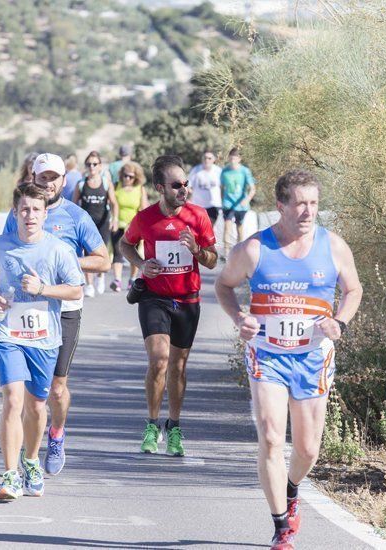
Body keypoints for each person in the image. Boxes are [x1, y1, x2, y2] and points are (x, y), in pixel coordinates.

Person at [214, 169, 362, 548]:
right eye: (299, 203)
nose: (307, 211)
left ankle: (292, 488)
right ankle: (281, 527)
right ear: (280, 206)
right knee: (270, 436)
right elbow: (224, 285)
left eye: (313, 203)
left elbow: (353, 289)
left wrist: (340, 323)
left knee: (309, 448)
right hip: (268, 355)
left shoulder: (333, 247)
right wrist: (239, 318)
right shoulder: (253, 249)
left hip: (312, 357)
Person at [0, 183, 85, 500]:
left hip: (44, 337)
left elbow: (75, 290)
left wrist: (42, 289)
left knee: (37, 406)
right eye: (24, 209)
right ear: (15, 212)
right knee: (13, 400)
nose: (30, 215)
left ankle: (32, 460)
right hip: (7, 332)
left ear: (45, 213)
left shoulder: (58, 250)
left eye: (36, 210)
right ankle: (10, 476)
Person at [3, 153, 110, 476]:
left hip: (64, 309)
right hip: (26, 309)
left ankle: (57, 434)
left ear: (65, 180)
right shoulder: (20, 212)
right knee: (21, 391)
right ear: (32, 178)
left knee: (56, 389)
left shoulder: (76, 217)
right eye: (43, 177)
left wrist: (61, 262)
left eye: (54, 177)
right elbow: (4, 252)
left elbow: (103, 260)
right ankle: (26, 452)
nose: (48, 183)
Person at [119, 155, 218, 457]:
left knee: (177, 366)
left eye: (186, 184)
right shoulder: (146, 218)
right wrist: (140, 263)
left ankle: (173, 427)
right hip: (154, 298)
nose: (184, 190)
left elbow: (213, 261)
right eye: (177, 185)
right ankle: (151, 425)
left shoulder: (198, 216)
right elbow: (125, 244)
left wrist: (197, 250)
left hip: (187, 299)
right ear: (160, 187)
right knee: (159, 360)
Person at [72, 151, 118, 296]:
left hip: (103, 222)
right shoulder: (81, 184)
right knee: (87, 253)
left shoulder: (106, 183)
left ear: (100, 166)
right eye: (89, 164)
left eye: (94, 164)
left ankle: (100, 276)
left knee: (101, 253)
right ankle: (90, 284)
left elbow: (114, 203)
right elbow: (73, 206)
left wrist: (115, 219)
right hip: (86, 225)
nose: (91, 167)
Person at [110, 161, 149, 292]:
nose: (127, 178)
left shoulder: (140, 189)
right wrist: (113, 219)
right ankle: (117, 280)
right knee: (117, 253)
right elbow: (111, 205)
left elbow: (143, 209)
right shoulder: (116, 186)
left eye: (131, 176)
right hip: (118, 224)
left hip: (134, 227)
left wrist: (134, 225)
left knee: (134, 253)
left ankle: (132, 279)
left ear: (136, 177)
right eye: (125, 175)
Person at [220, 147, 257, 259]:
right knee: (227, 226)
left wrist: (247, 199)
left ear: (239, 159)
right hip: (228, 203)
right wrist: (222, 200)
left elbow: (252, 188)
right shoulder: (225, 171)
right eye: (231, 158)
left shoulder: (244, 171)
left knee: (239, 227)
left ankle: (239, 251)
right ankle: (226, 253)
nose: (232, 160)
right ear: (228, 158)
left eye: (235, 158)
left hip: (241, 205)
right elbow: (221, 187)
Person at [188, 149, 223, 226]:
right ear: (202, 159)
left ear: (214, 159)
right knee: (199, 226)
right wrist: (191, 196)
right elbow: (188, 186)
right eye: (205, 158)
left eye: (209, 158)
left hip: (214, 204)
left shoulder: (218, 171)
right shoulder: (196, 170)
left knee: (210, 226)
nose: (207, 160)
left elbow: (223, 187)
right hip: (198, 205)